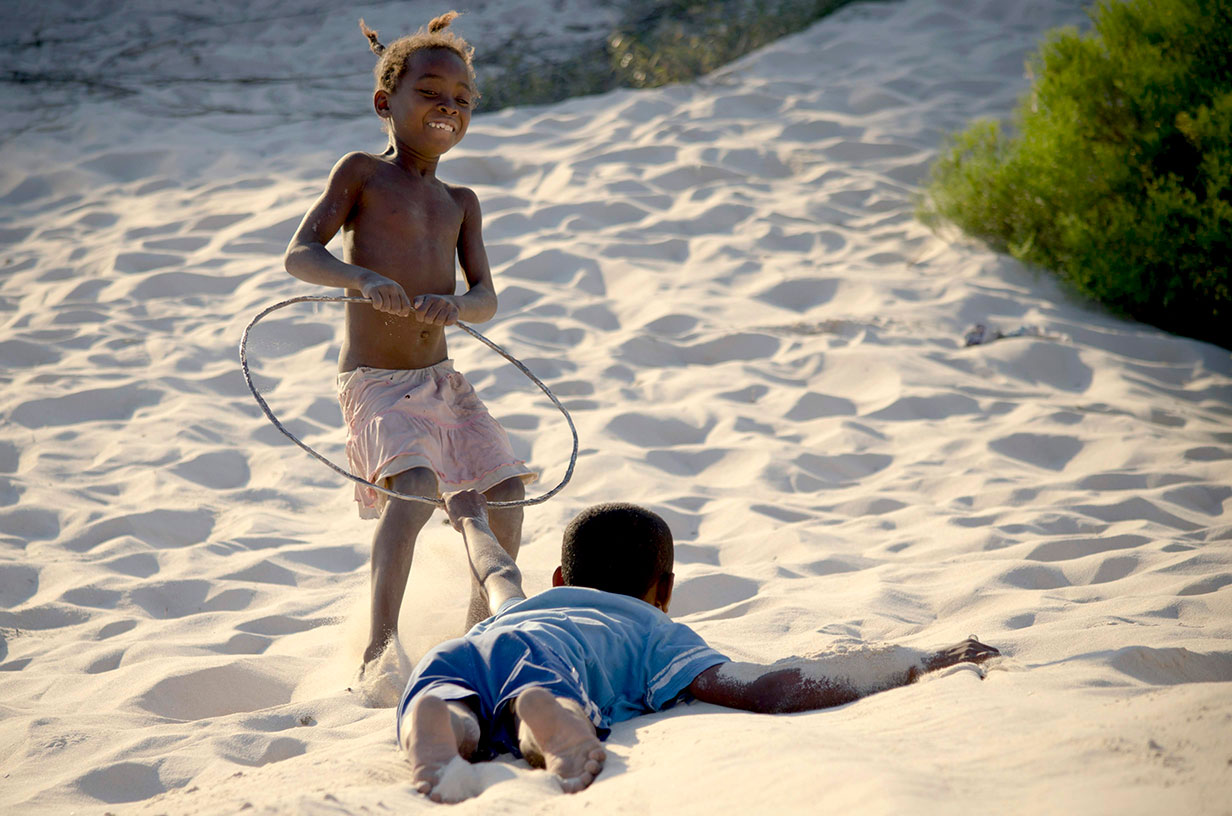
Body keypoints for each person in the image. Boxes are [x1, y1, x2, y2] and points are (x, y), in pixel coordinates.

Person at [399, 490, 1001, 803]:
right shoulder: (652, 630)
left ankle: (444, 721)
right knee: (548, 701)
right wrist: (914, 662)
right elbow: (765, 690)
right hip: (555, 665)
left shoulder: (526, 603)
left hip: (466, 650)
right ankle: (548, 719)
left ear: (560, 578)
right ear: (664, 589)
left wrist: (470, 517)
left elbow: (496, 569)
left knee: (455, 701)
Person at [283, 12, 536, 672]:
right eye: (429, 92)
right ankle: (378, 647)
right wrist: (361, 278)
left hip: (441, 381)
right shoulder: (363, 173)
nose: (447, 106)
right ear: (384, 103)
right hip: (377, 381)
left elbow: (486, 297)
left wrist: (457, 307)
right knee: (417, 486)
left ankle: (480, 631)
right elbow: (300, 254)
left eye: (461, 98)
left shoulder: (461, 202)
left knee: (505, 490)